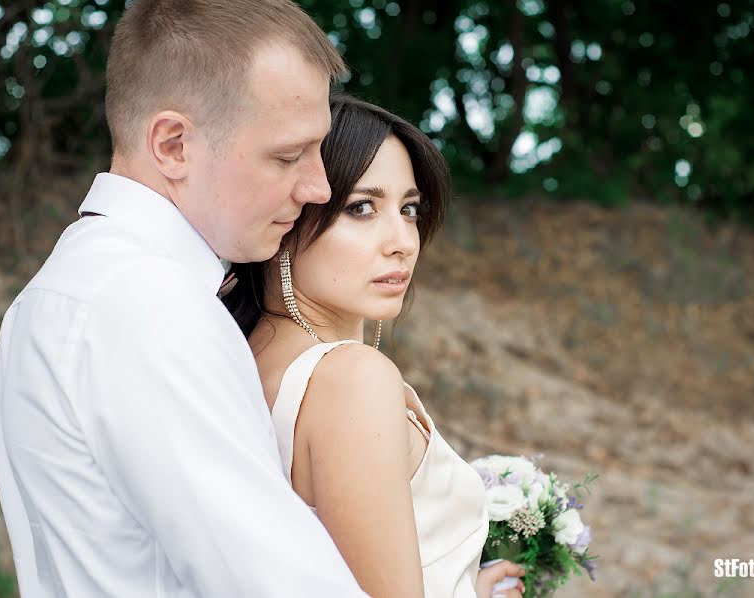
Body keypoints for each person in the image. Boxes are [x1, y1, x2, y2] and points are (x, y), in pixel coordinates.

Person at [0, 1, 368, 595]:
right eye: (288, 155)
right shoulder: (145, 305)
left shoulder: (73, 289)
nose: (319, 186)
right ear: (172, 145)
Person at [221, 95, 526, 598]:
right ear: (286, 216)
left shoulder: (242, 357)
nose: (404, 240)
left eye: (409, 209)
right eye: (361, 208)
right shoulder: (354, 379)